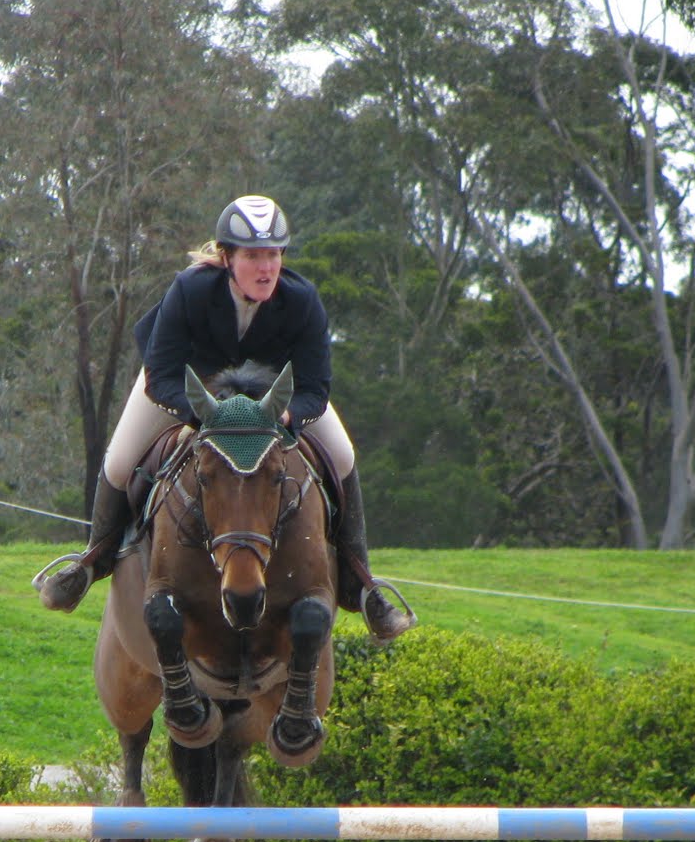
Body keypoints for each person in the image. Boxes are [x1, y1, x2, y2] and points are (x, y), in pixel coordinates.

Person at [35, 194, 415, 642]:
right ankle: (91, 561)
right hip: (189, 387)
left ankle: (363, 586)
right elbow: (161, 377)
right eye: (253, 256)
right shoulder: (191, 289)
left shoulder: (302, 300)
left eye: (273, 255)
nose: (266, 268)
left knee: (344, 456)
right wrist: (204, 415)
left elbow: (315, 387)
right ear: (227, 257)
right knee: (120, 462)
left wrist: (286, 414)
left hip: (271, 398)